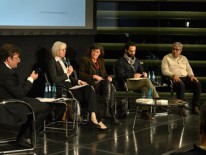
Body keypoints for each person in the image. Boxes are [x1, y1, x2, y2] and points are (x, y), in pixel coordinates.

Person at [46, 41, 108, 130]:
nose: (64, 52)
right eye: (62, 50)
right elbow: (54, 80)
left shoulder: (64, 61)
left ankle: (94, 116)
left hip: (70, 87)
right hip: (62, 90)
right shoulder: (52, 62)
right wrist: (67, 73)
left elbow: (70, 78)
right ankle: (96, 119)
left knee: (89, 88)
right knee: (89, 91)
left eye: (65, 50)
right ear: (56, 50)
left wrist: (79, 82)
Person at [0, 44, 50, 147]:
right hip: (9, 106)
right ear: (9, 59)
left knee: (37, 103)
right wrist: (31, 79)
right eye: (17, 58)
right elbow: (20, 94)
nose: (19, 60)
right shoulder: (8, 73)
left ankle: (24, 136)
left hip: (8, 100)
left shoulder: (2, 69)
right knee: (45, 107)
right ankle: (25, 137)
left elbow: (14, 89)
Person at [78, 43, 121, 125]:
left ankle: (109, 113)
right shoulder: (85, 59)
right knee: (109, 85)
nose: (95, 53)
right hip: (91, 84)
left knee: (110, 85)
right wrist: (93, 76)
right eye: (94, 51)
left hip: (103, 86)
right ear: (91, 51)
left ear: (100, 53)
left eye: (97, 52)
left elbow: (104, 74)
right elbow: (81, 75)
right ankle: (110, 113)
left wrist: (108, 77)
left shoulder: (100, 61)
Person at [115, 42, 159, 119]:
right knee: (146, 81)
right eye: (131, 51)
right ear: (126, 50)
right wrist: (133, 75)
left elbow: (141, 70)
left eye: (134, 51)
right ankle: (156, 98)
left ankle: (144, 111)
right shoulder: (121, 61)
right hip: (125, 83)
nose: (133, 53)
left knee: (146, 88)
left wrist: (143, 73)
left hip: (135, 83)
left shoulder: (136, 60)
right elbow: (120, 75)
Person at [161, 42, 201, 115]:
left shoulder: (184, 58)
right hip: (173, 79)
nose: (175, 51)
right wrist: (173, 75)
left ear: (180, 51)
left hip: (185, 78)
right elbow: (164, 71)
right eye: (173, 49)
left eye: (177, 49)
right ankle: (181, 108)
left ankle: (195, 106)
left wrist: (191, 75)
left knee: (197, 84)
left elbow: (188, 69)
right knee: (181, 84)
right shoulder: (166, 57)